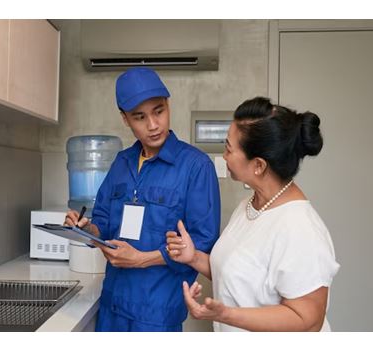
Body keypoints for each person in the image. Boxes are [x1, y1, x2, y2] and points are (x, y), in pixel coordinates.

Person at [64, 67, 221, 332]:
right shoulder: (122, 162)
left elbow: (202, 244)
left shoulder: (196, 166)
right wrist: (85, 229)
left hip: (157, 314)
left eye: (159, 111)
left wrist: (142, 258)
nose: (153, 125)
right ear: (125, 119)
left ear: (168, 105)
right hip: (112, 308)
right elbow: (102, 220)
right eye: (140, 117)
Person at [166, 97, 340, 332]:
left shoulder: (300, 229)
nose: (224, 156)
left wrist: (227, 314)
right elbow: (239, 276)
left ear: (258, 165)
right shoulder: (250, 206)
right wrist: (194, 257)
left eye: (229, 148)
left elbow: (308, 319)